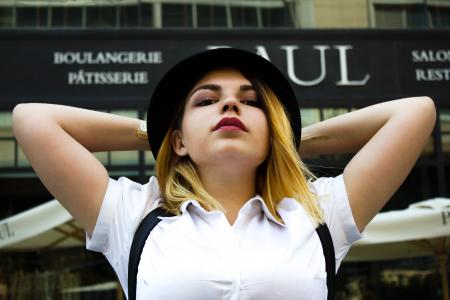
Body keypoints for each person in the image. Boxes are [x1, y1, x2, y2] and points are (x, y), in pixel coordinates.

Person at [12, 48, 436, 299]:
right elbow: (32, 120)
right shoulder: (133, 213)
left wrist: (283, 140)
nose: (230, 106)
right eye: (206, 101)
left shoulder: (320, 211)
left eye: (251, 103)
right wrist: (161, 134)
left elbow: (416, 112)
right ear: (178, 140)